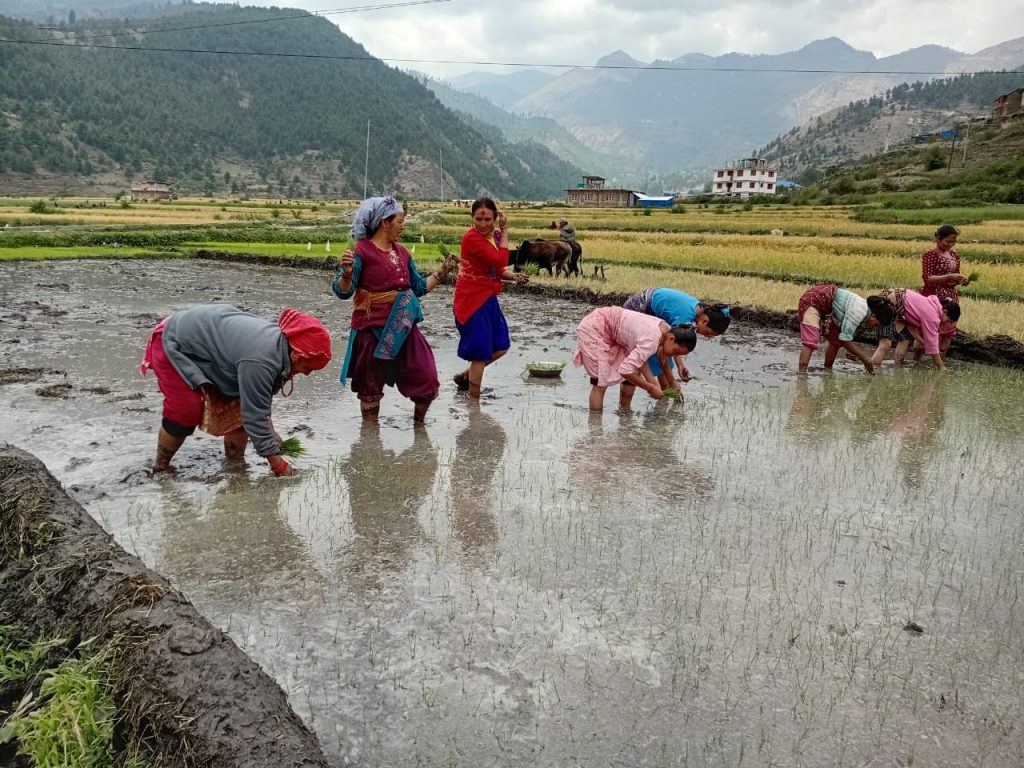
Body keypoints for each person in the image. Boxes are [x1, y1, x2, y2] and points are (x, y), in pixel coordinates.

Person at [141, 304, 331, 475]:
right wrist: (277, 464)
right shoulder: (261, 360)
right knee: (185, 411)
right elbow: (254, 416)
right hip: (175, 339)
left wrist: (271, 435)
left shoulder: (280, 351)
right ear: (297, 356)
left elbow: (257, 402)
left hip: (213, 343)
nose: (307, 374)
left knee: (239, 414)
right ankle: (161, 468)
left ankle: (235, 468)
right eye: (309, 367)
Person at [333, 196, 453, 422]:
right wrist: (347, 274)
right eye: (400, 221)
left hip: (404, 327)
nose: (403, 225)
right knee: (370, 388)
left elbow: (416, 287)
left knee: (427, 376)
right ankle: (370, 443)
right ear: (384, 222)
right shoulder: (361, 251)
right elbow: (342, 291)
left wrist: (441, 273)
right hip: (372, 330)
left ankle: (419, 428)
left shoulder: (404, 253)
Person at [452, 197, 529, 398]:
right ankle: (474, 402)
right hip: (472, 300)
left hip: (488, 298)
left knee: (501, 346)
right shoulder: (472, 238)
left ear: (494, 218)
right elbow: (501, 258)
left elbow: (497, 268)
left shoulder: (492, 237)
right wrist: (505, 230)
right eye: (478, 219)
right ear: (472, 218)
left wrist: (514, 276)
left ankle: (466, 377)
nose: (483, 224)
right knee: (479, 354)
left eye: (488, 219)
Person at [573, 306, 697, 411]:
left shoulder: (667, 329)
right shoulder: (652, 339)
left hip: (610, 327)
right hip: (595, 328)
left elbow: (647, 359)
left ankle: (623, 415)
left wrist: (658, 383)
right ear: (671, 339)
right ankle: (595, 429)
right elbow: (625, 370)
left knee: (630, 369)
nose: (671, 356)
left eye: (676, 355)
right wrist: (650, 387)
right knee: (600, 381)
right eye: (674, 351)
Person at [620, 288, 731, 404]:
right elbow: (665, 350)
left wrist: (680, 366)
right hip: (636, 312)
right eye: (708, 333)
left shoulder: (697, 312)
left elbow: (675, 347)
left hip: (654, 318)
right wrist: (672, 380)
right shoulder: (685, 316)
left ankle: (662, 404)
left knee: (663, 361)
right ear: (704, 321)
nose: (707, 336)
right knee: (638, 363)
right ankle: (625, 412)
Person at [796, 284, 892, 373]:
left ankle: (827, 370)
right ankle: (802, 376)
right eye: (876, 324)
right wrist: (864, 358)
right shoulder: (859, 312)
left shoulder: (864, 310)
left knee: (835, 340)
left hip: (825, 309)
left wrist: (855, 353)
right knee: (811, 341)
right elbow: (845, 339)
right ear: (874, 316)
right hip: (812, 301)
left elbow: (842, 338)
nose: (873, 327)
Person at [872, 289, 960, 370]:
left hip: (894, 303)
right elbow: (932, 345)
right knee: (885, 344)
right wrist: (941, 367)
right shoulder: (932, 317)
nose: (946, 323)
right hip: (887, 305)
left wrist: (924, 343)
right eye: (948, 320)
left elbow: (912, 329)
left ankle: (897, 367)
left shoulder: (932, 305)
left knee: (905, 336)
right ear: (945, 312)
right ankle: (872, 369)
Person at [920, 224, 969, 359]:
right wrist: (947, 277)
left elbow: (955, 276)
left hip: (951, 297)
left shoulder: (954, 255)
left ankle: (940, 363)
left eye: (954, 241)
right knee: (928, 329)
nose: (951, 244)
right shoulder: (931, 254)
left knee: (948, 331)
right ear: (938, 239)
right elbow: (927, 278)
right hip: (934, 296)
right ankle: (916, 362)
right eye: (948, 241)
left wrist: (961, 281)